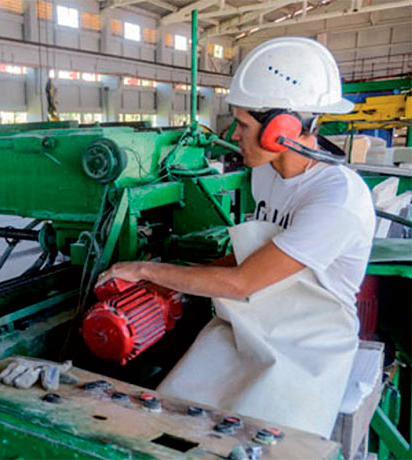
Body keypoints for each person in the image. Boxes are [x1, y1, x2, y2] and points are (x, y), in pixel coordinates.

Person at [97, 37, 375, 437]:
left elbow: (243, 281)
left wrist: (146, 270)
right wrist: (179, 280)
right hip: (248, 325)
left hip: (307, 348)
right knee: (167, 420)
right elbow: (251, 257)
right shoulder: (265, 175)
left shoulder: (336, 199)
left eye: (243, 124)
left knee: (256, 443)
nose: (234, 133)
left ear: (282, 129)